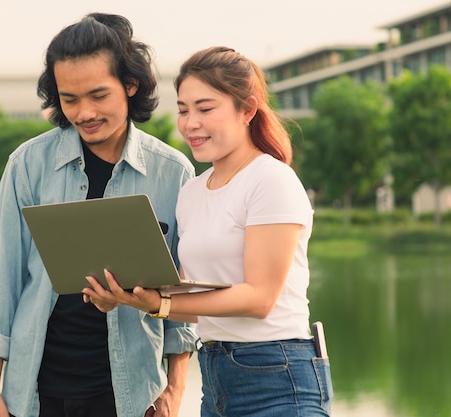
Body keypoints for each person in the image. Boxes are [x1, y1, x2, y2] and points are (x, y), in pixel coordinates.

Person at [0, 13, 198, 417]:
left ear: (130, 86)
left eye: (97, 95)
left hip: (132, 396)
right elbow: (2, 281)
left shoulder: (174, 173)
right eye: (69, 99)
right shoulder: (27, 165)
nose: (84, 112)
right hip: (36, 393)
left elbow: (183, 297)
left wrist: (175, 391)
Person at [83, 46, 334, 416]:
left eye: (205, 108)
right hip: (216, 376)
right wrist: (125, 293)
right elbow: (193, 297)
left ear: (247, 110)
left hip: (279, 376)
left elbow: (259, 299)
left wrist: (160, 303)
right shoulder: (192, 191)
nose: (190, 123)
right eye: (184, 110)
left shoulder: (271, 180)